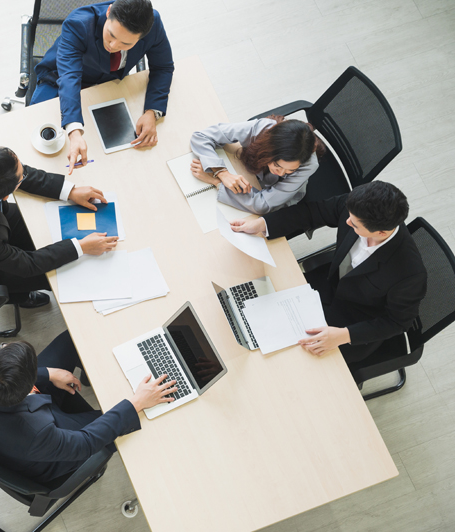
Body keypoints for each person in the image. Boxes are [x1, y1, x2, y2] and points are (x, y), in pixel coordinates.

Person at [230, 181, 427, 364]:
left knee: (283, 361)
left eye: (355, 224)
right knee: (250, 311)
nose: (347, 221)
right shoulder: (357, 208)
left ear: (381, 233)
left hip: (351, 324)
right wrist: (263, 224)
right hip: (324, 284)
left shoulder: (410, 273)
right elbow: (312, 212)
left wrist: (344, 335)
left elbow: (396, 322)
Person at [0, 331, 177, 483]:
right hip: (47, 448)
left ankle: (87, 378)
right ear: (29, 389)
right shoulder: (39, 433)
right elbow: (85, 442)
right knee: (136, 417)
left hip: (3, 418)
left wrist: (46, 373)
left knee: (73, 338)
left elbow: (0, 377)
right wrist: (136, 402)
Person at [0, 144, 119, 308]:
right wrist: (81, 247)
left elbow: (17, 174)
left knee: (44, 228)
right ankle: (21, 297)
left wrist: (69, 191)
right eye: (21, 177)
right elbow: (28, 265)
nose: (23, 169)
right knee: (61, 273)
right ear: (6, 195)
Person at [31, 0, 174, 174]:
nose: (113, 46)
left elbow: (163, 67)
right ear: (108, 12)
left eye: (126, 44)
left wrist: (152, 111)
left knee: (113, 158)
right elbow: (69, 78)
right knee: (35, 142)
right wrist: (74, 130)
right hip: (58, 79)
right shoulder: (79, 24)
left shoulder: (153, 23)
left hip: (109, 84)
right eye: (111, 35)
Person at [189, 116, 325, 214]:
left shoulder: (309, 166)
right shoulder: (263, 128)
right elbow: (201, 137)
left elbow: (263, 205)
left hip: (276, 196)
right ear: (269, 149)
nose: (282, 173)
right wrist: (222, 172)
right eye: (278, 165)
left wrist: (217, 181)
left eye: (291, 170)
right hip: (250, 174)